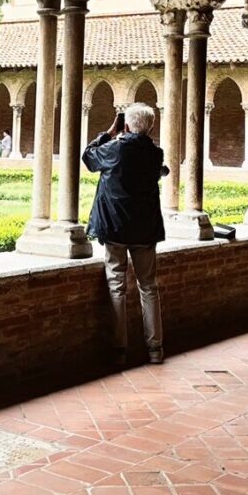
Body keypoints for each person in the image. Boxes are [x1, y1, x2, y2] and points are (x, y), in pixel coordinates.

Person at [82, 103, 167, 366]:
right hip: (145, 231)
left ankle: (120, 350)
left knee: (117, 287)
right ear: (151, 127)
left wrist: (109, 132)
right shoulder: (156, 154)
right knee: (149, 288)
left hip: (116, 229)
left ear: (126, 125)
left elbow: (88, 157)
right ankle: (155, 350)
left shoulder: (114, 149)